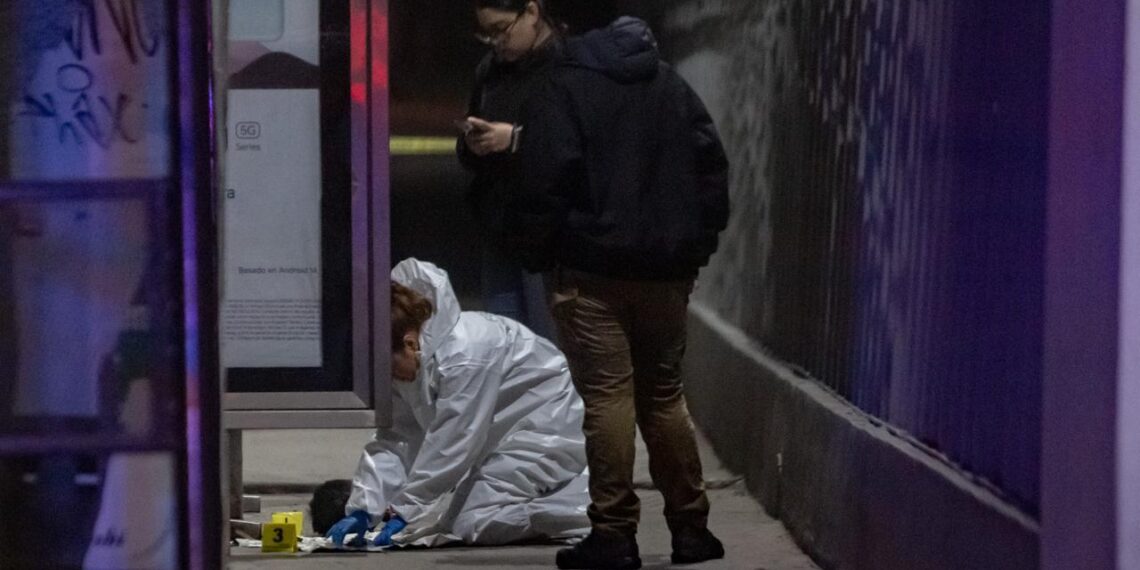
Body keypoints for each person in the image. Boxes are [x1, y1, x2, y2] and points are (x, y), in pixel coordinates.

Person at [509, 16, 731, 570]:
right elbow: (712, 173)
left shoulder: (562, 87)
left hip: (592, 271)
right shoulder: (673, 86)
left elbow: (545, 178)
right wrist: (694, 248)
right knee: (664, 396)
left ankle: (614, 533)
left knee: (609, 398)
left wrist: (538, 252)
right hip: (666, 273)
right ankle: (692, 528)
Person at [323, 258, 590, 548]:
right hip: (507, 435)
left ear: (411, 342)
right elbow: (396, 437)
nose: (387, 375)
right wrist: (365, 508)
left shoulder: (466, 351)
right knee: (458, 520)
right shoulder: (413, 362)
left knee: (471, 522)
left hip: (547, 426)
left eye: (388, 365)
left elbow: (455, 439)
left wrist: (405, 507)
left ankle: (588, 514)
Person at [456, 0, 564, 341]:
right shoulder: (490, 70)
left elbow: (578, 148)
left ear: (532, 12)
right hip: (499, 227)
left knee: (547, 346)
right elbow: (472, 148)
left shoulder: (569, 68)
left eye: (500, 30)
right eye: (486, 35)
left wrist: (515, 139)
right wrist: (473, 144)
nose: (496, 42)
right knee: (504, 345)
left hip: (548, 236)